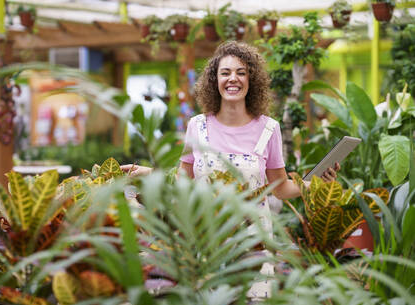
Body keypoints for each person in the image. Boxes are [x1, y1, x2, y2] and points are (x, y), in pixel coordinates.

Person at [122, 41, 339, 196]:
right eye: (225, 73)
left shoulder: (269, 129)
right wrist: (147, 173)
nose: (232, 78)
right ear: (214, 80)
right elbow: (183, 179)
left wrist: (314, 183)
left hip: (254, 241)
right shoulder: (197, 126)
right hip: (208, 239)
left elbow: (280, 188)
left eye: (241, 72)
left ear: (251, 80)